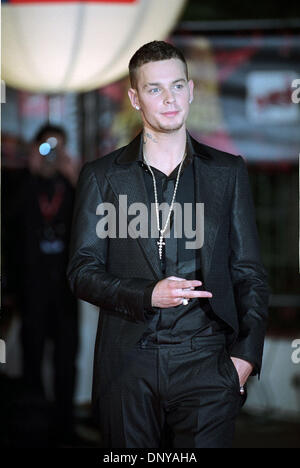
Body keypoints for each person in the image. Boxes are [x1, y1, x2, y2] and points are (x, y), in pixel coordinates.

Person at [67, 41, 269, 448]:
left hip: (207, 360)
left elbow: (249, 273)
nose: (170, 98)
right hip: (129, 362)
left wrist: (244, 360)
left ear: (192, 90)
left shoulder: (227, 173)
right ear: (135, 98)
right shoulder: (102, 176)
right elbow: (81, 272)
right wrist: (147, 294)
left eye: (177, 86)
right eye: (155, 89)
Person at [14, 124, 79, 446]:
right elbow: (10, 222)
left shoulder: (73, 186)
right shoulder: (24, 185)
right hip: (32, 287)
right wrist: (30, 173)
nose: (52, 155)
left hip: (67, 290)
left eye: (58, 148)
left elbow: (94, 220)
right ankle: (32, 426)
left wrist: (75, 178)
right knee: (32, 356)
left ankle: (64, 428)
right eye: (46, 148)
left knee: (67, 359)